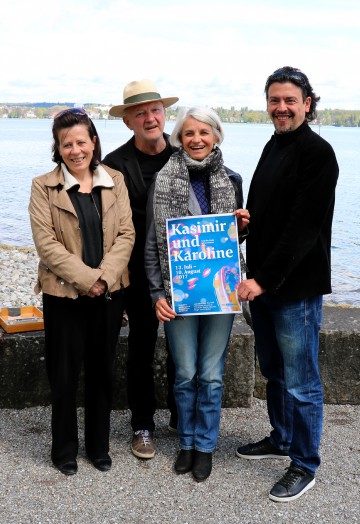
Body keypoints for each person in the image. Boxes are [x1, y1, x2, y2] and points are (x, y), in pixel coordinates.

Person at [236, 66, 339, 502]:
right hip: (264, 284)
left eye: (289, 101)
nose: (281, 108)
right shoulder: (273, 145)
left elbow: (302, 229)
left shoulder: (318, 153)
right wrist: (243, 222)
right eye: (274, 101)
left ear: (307, 104)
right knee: (274, 371)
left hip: (294, 288)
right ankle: (281, 437)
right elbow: (271, 213)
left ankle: (304, 462)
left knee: (301, 381)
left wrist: (260, 279)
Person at [145, 107, 250, 481]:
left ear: (217, 136)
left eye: (204, 132)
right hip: (179, 293)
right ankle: (186, 443)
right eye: (188, 133)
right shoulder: (163, 179)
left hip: (220, 293)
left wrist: (241, 228)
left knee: (211, 374)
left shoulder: (233, 179)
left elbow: (231, 241)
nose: (196, 139)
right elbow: (152, 246)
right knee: (186, 373)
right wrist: (158, 292)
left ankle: (205, 446)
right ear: (179, 138)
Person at [29, 108, 135, 476]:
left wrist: (104, 278)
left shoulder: (114, 179)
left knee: (102, 371)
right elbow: (47, 245)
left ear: (93, 141)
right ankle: (64, 450)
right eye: (66, 143)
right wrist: (87, 280)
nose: (76, 150)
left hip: (110, 293)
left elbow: (126, 235)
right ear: (58, 148)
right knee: (64, 374)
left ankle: (98, 446)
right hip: (64, 296)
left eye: (81, 141)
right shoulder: (43, 186)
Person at [103, 80, 179, 459]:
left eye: (155, 110)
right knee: (141, 349)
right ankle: (143, 425)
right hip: (135, 273)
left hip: (185, 269)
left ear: (164, 114)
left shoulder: (186, 154)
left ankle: (182, 418)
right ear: (127, 121)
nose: (150, 118)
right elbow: (107, 228)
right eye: (140, 113)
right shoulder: (113, 165)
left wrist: (237, 227)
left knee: (185, 351)